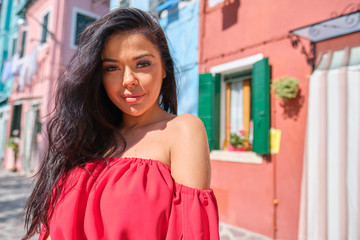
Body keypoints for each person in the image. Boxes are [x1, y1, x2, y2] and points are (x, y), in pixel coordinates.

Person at [23, 8, 219, 240]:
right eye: (112, 68)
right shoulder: (87, 137)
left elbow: (193, 231)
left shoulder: (182, 131)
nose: (128, 81)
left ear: (165, 68)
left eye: (143, 64)